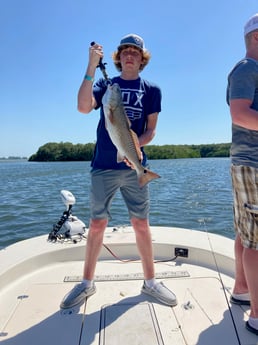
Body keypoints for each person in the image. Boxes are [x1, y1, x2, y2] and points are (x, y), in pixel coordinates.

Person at [60, 34, 177, 309]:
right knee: (97, 224)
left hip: (135, 165)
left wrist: (135, 149)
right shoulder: (105, 85)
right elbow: (82, 107)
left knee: (141, 224)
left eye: (135, 52)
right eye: (124, 51)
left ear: (142, 58)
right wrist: (91, 66)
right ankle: (87, 283)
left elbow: (150, 131)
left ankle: (150, 282)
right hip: (103, 165)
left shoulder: (152, 90)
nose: (129, 55)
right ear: (117, 57)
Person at [227, 14, 258, 335]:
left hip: (248, 163)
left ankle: (242, 289)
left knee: (246, 232)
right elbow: (240, 113)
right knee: (256, 241)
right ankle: (257, 314)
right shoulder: (247, 69)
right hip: (252, 163)